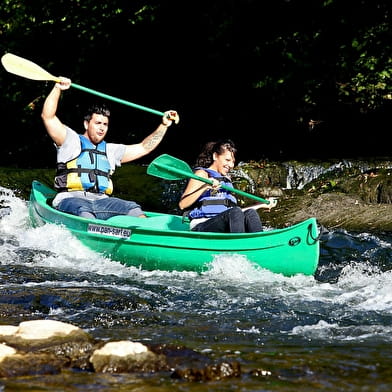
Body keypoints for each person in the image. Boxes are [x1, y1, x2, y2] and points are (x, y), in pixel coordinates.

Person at [41, 76, 179, 220]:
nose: (101, 128)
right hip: (71, 199)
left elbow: (144, 147)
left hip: (102, 201)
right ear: (86, 124)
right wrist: (58, 88)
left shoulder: (111, 151)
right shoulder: (70, 140)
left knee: (134, 210)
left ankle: (143, 237)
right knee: (86, 215)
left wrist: (163, 125)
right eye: (98, 123)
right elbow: (48, 117)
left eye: (105, 124)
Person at [178, 139, 277, 233]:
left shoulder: (227, 181)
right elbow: (183, 204)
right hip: (202, 225)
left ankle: (258, 245)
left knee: (251, 213)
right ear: (215, 156)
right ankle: (238, 246)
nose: (231, 165)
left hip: (224, 223)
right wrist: (205, 186)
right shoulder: (202, 174)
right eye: (227, 160)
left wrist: (260, 205)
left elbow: (235, 214)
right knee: (235, 213)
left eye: (233, 162)